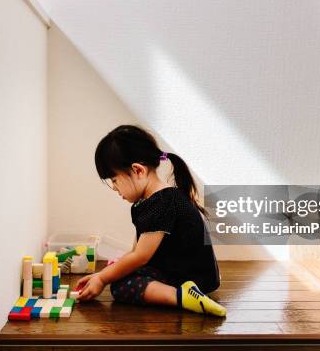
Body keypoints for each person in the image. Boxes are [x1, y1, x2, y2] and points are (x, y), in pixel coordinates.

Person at [76, 125, 226, 317]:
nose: (114, 188)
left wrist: (103, 279)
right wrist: (107, 272)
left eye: (114, 180)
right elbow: (136, 251)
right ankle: (185, 291)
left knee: (121, 285)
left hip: (193, 278)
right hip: (192, 272)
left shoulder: (161, 203)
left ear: (137, 170)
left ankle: (182, 296)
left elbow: (141, 257)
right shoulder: (152, 201)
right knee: (119, 270)